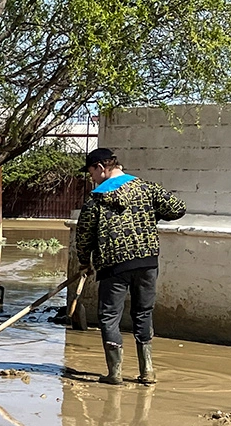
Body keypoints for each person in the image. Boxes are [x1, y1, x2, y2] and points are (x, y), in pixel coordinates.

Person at [76, 148, 186, 385]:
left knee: (109, 316)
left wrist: (85, 262)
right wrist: (149, 215)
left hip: (114, 265)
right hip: (147, 262)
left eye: (91, 173)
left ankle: (115, 374)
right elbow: (178, 208)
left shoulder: (96, 199)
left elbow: (84, 235)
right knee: (143, 312)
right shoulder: (146, 188)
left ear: (101, 168)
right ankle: (147, 371)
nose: (91, 178)